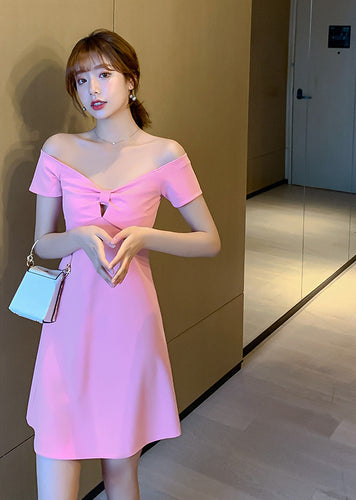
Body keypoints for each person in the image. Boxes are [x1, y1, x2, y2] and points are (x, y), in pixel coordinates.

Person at [26, 28, 220, 500]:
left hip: (129, 326)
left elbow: (210, 241)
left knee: (119, 471)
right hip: (68, 327)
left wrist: (147, 237)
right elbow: (41, 245)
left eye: (104, 75)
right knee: (55, 457)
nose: (91, 89)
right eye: (81, 80)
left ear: (131, 80)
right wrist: (77, 237)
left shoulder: (165, 154)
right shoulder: (58, 149)